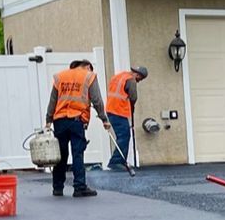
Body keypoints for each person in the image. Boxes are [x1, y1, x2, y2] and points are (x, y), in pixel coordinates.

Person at [45, 58, 104, 197]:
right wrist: (104, 118)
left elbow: (53, 100)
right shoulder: (89, 76)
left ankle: (57, 187)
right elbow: (97, 99)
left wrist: (48, 119)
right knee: (77, 153)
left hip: (59, 120)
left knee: (61, 154)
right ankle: (79, 187)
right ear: (88, 66)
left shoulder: (60, 76)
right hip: (77, 120)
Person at [104, 65, 149, 169]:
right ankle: (116, 161)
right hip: (118, 111)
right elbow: (133, 97)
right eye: (140, 79)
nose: (139, 81)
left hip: (111, 109)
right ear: (137, 74)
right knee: (124, 136)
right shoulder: (131, 80)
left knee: (122, 136)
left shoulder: (118, 76)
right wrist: (132, 107)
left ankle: (119, 160)